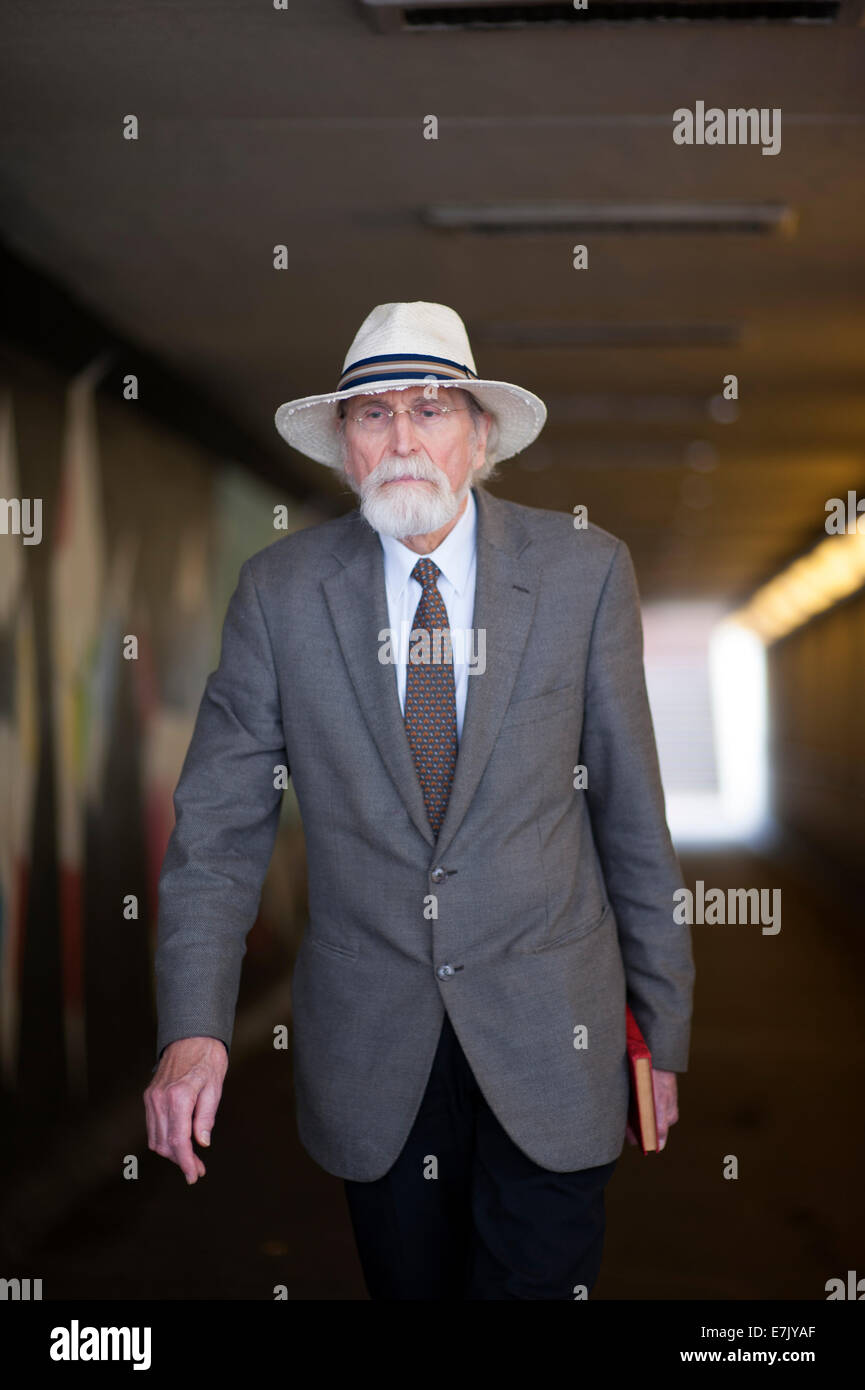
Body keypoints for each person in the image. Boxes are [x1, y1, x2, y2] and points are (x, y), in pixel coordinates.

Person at [144, 301, 695, 1301]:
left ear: (479, 436)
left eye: (430, 408)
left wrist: (659, 1028)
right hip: (373, 1051)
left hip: (552, 1038)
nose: (403, 437)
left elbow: (628, 814)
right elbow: (219, 830)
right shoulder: (280, 592)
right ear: (344, 447)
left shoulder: (582, 572)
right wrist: (193, 1030)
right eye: (372, 415)